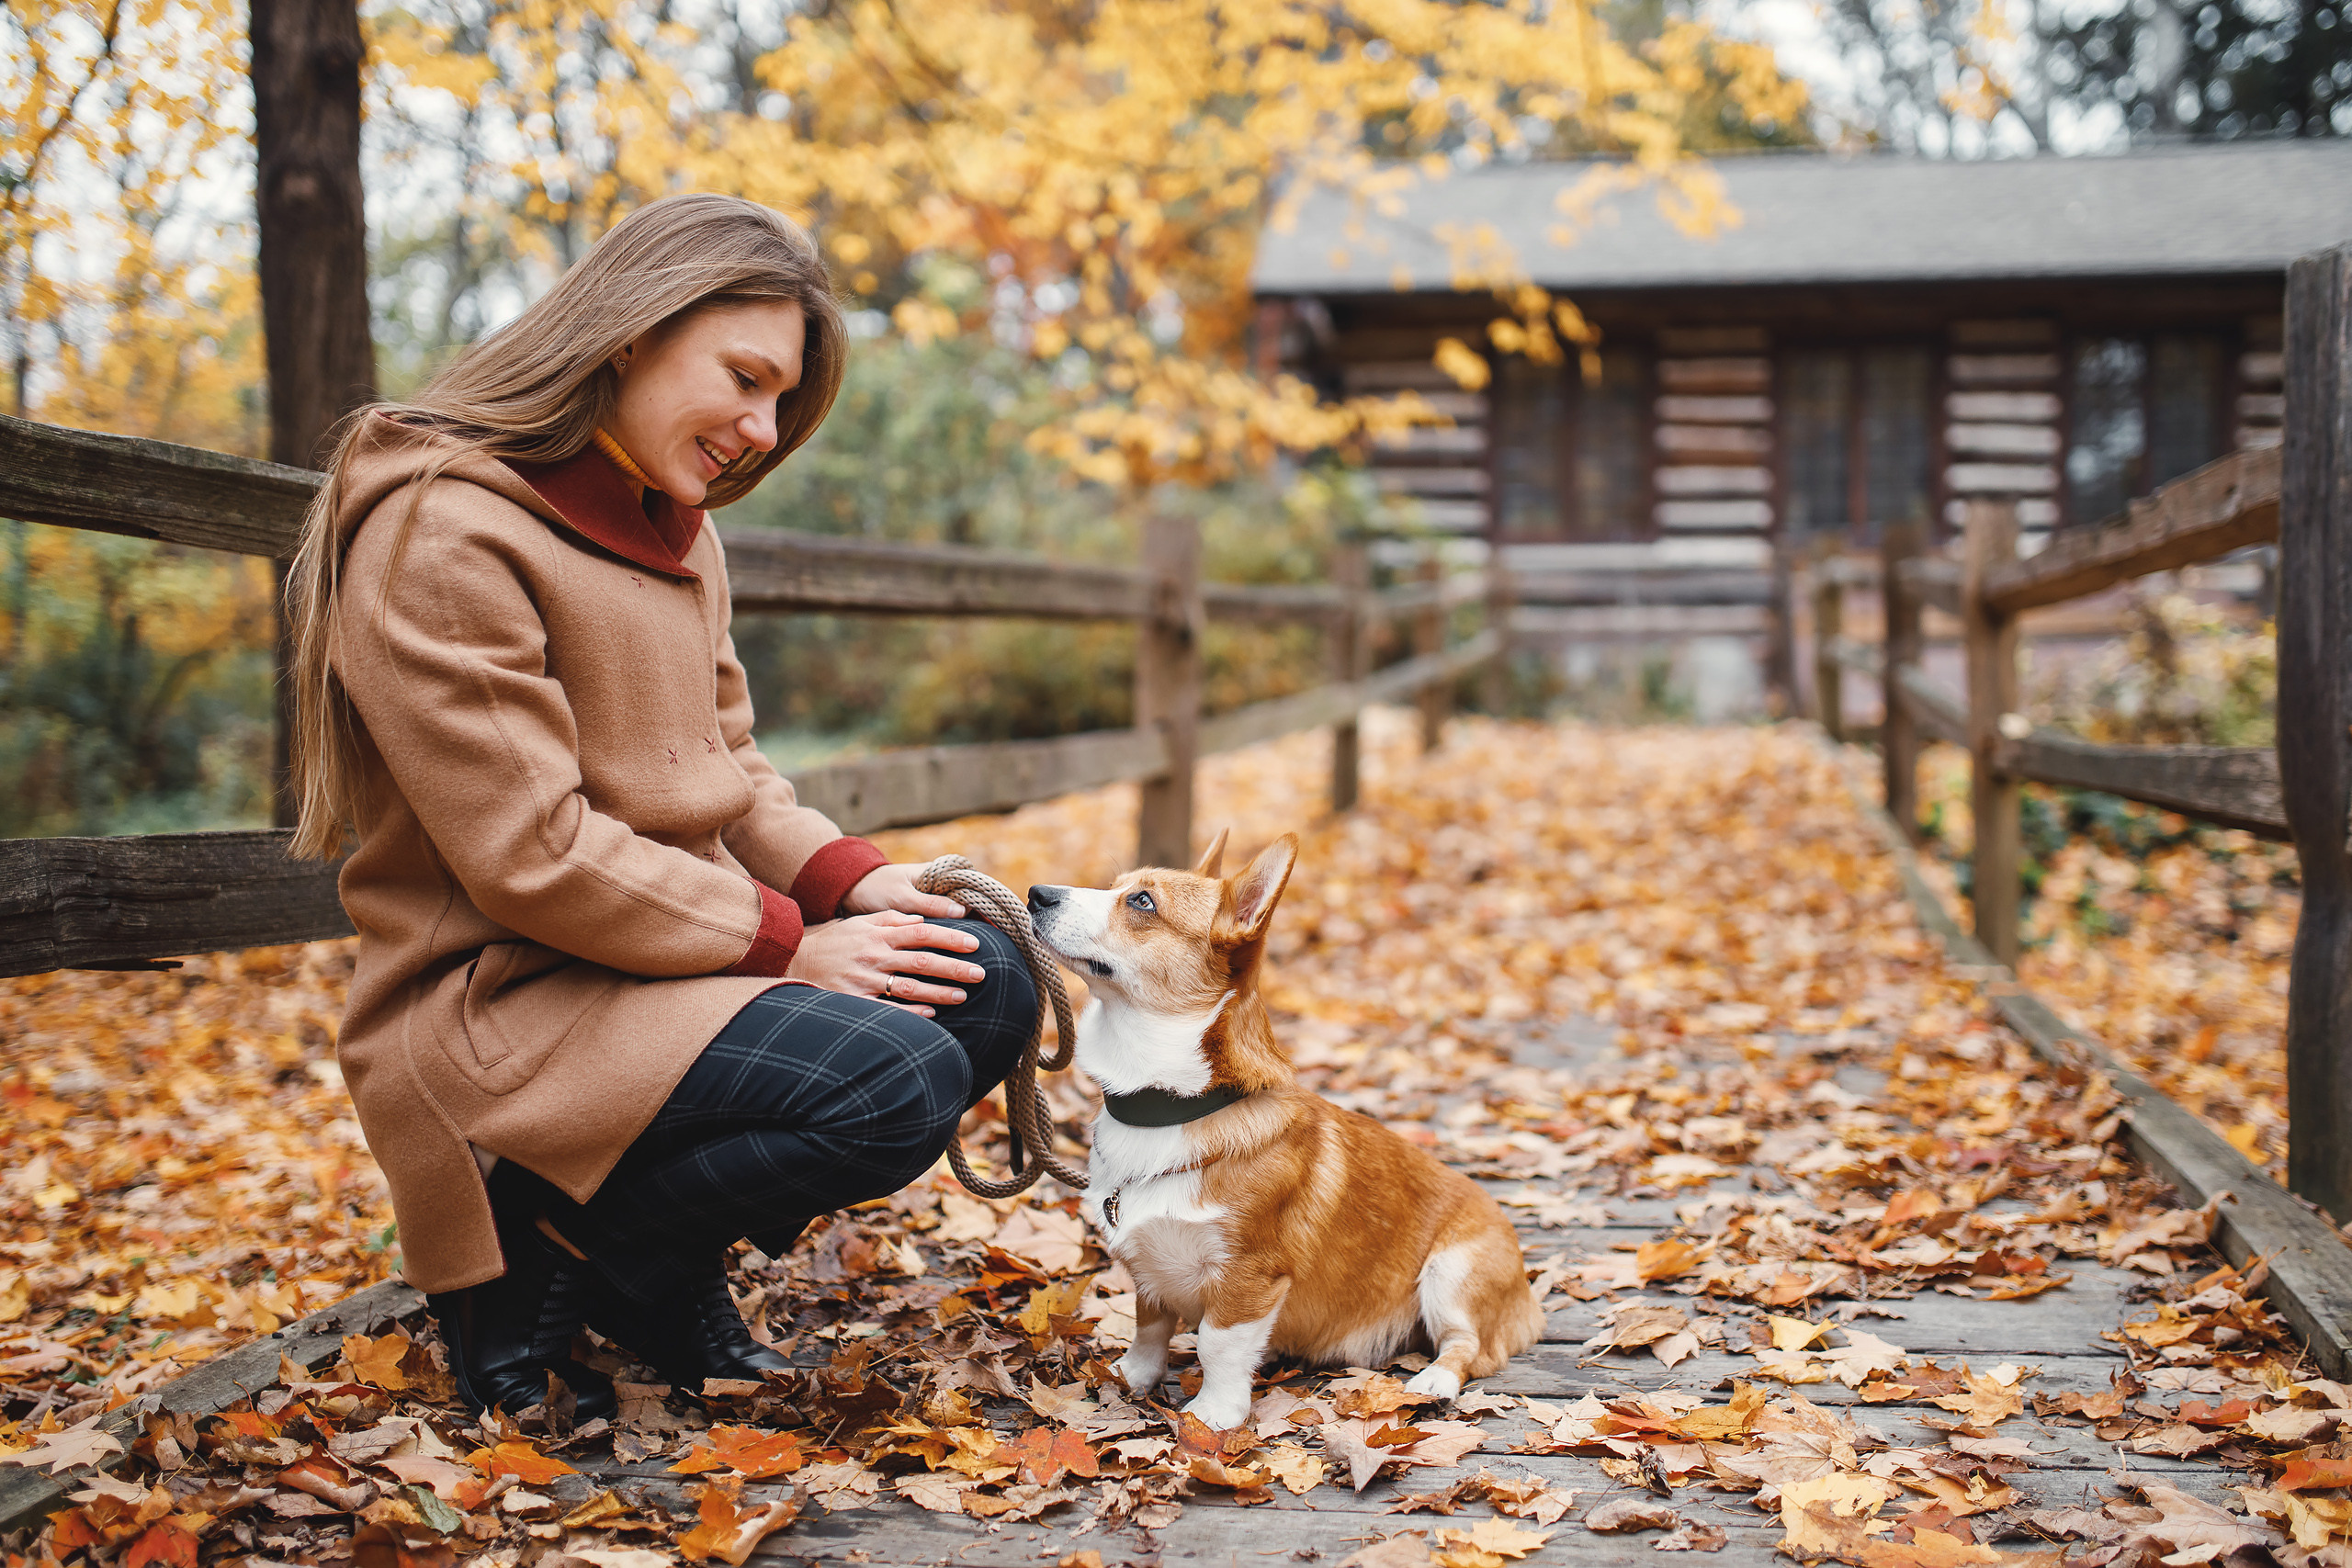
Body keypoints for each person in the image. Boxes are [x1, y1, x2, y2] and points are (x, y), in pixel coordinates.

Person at [283, 193, 1038, 1417]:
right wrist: (797, 946)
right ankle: (534, 1250)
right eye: (744, 379)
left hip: (656, 970)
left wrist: (851, 880)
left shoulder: (679, 534)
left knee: (984, 982)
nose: (762, 427)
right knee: (888, 1081)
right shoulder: (445, 530)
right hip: (504, 1000)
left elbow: (729, 775)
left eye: (782, 399)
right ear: (632, 332)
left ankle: (642, 1259)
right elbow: (535, 857)